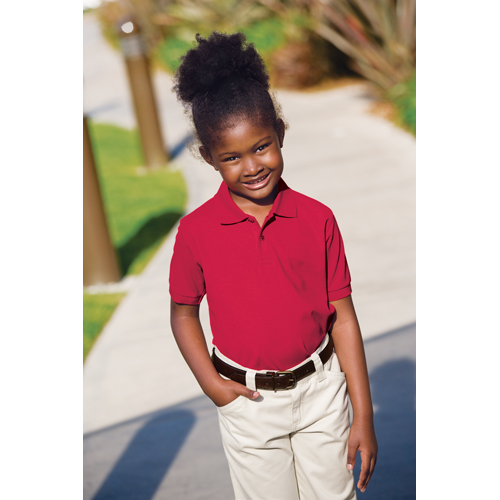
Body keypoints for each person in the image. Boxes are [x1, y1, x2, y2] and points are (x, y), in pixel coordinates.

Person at [169, 31, 377, 500]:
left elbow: (343, 318)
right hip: (249, 405)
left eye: (261, 147)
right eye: (232, 157)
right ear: (209, 158)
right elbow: (183, 314)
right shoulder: (196, 232)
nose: (252, 166)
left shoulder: (318, 218)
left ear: (280, 134)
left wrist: (362, 414)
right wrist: (213, 385)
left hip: (322, 393)